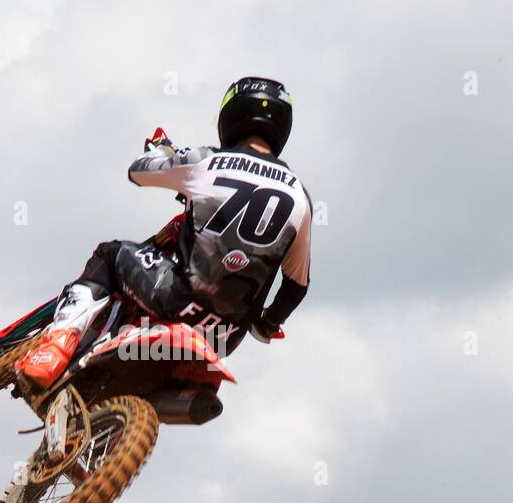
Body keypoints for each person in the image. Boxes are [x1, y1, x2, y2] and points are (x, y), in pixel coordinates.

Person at [19, 76, 312, 389]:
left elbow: (137, 172)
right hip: (224, 336)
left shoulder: (207, 160)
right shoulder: (300, 197)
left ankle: (58, 343)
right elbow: (296, 286)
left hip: (175, 298)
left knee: (110, 253)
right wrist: (266, 324)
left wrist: (161, 151)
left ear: (232, 115)